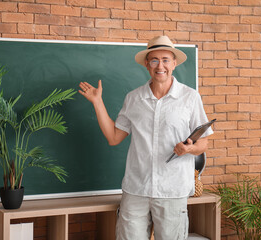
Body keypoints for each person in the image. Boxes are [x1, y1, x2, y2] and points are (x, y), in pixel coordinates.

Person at [79, 35, 213, 240]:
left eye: (166, 60)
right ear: (146, 64)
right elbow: (114, 137)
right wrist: (97, 102)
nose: (161, 66)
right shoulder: (133, 98)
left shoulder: (190, 97)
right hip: (136, 190)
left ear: (174, 63)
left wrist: (189, 149)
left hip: (173, 191)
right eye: (154, 60)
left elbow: (203, 143)